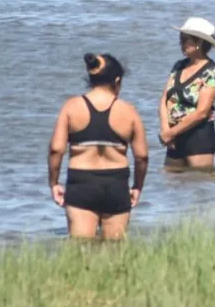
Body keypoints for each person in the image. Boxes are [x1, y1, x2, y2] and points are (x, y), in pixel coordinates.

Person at [47, 54, 148, 240]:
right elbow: (141, 156)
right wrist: (137, 187)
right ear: (117, 81)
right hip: (116, 183)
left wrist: (54, 183)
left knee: (80, 249)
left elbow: (56, 149)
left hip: (82, 182)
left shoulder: (71, 107)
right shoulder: (128, 110)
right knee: (115, 251)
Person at [159, 17, 215, 170]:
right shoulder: (178, 66)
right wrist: (165, 129)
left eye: (185, 39)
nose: (181, 43)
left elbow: (202, 112)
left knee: (199, 183)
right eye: (181, 39)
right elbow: (164, 99)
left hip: (198, 137)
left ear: (199, 43)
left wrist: (171, 133)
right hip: (173, 137)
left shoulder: (212, 73)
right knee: (171, 185)